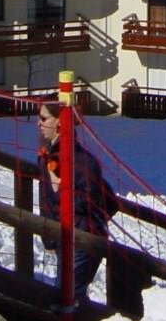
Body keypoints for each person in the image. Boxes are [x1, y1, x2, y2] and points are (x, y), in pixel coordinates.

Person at [36, 101, 117, 301]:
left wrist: (63, 190)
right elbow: (48, 202)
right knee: (69, 295)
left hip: (83, 238)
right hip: (64, 236)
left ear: (60, 122)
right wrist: (50, 237)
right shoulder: (49, 155)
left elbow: (98, 200)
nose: (38, 123)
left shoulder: (79, 160)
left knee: (68, 297)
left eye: (44, 118)